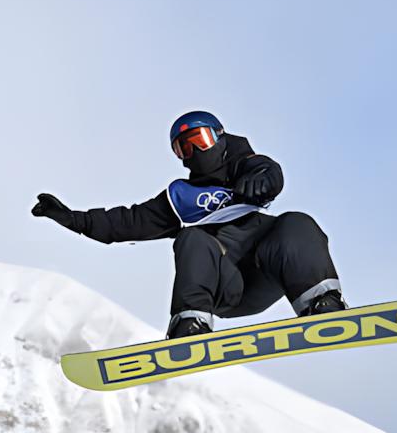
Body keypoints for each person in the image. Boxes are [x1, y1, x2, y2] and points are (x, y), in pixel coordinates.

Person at [32, 110, 347, 338]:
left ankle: (320, 302)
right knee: (191, 238)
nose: (194, 151)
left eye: (200, 139)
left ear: (219, 139)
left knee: (296, 223)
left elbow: (270, 172)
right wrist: (74, 219)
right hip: (224, 285)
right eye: (184, 147)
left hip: (270, 269)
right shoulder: (181, 198)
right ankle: (191, 322)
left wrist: (261, 180)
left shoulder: (245, 164)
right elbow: (126, 222)